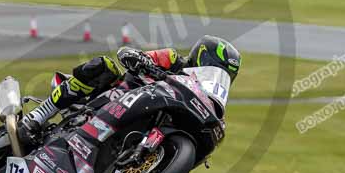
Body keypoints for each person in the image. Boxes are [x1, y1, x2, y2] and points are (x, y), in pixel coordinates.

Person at [18, 35, 241, 147]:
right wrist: (141, 60)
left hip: (136, 123)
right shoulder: (173, 59)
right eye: (215, 68)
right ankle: (37, 116)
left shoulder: (206, 102)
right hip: (115, 96)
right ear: (203, 57)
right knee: (103, 66)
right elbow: (129, 53)